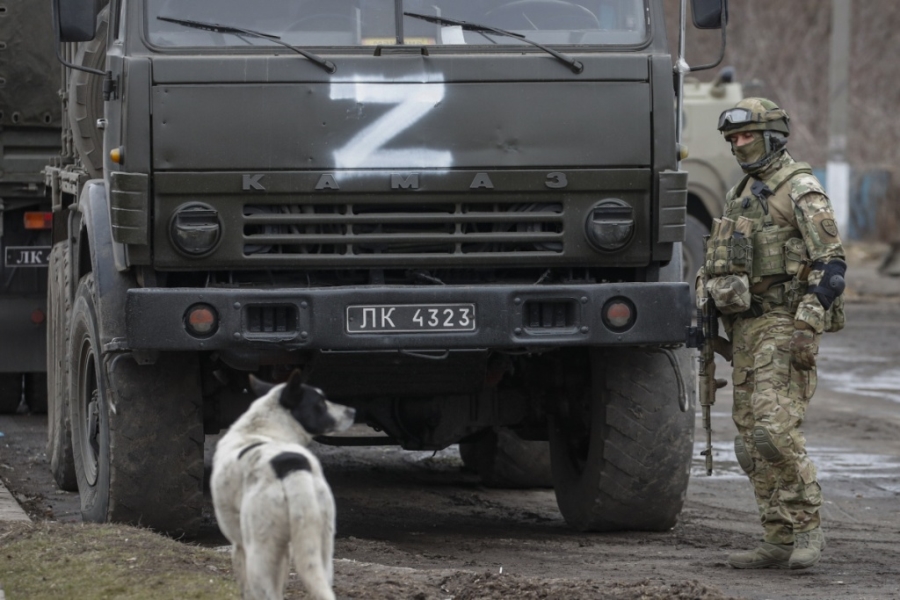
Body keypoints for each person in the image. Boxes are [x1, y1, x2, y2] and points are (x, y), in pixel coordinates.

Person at [702, 97, 846, 570]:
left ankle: (808, 529)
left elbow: (831, 265)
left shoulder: (799, 188)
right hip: (745, 327)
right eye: (734, 138)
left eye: (747, 135)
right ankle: (776, 535)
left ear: (773, 136)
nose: (739, 145)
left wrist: (807, 325)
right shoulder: (742, 191)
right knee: (747, 441)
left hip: (784, 323)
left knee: (774, 432)